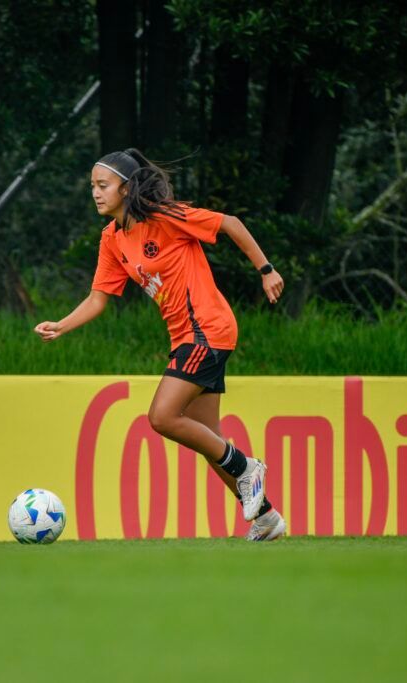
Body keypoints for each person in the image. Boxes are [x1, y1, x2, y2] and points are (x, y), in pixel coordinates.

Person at [34, 148, 286, 541]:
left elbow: (230, 223)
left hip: (207, 329)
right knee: (208, 437)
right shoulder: (111, 239)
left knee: (162, 417)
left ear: (127, 187)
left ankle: (247, 467)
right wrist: (62, 326)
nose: (96, 193)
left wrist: (265, 270)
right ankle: (266, 517)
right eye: (92, 187)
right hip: (186, 337)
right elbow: (98, 298)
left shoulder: (164, 217)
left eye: (103, 185)